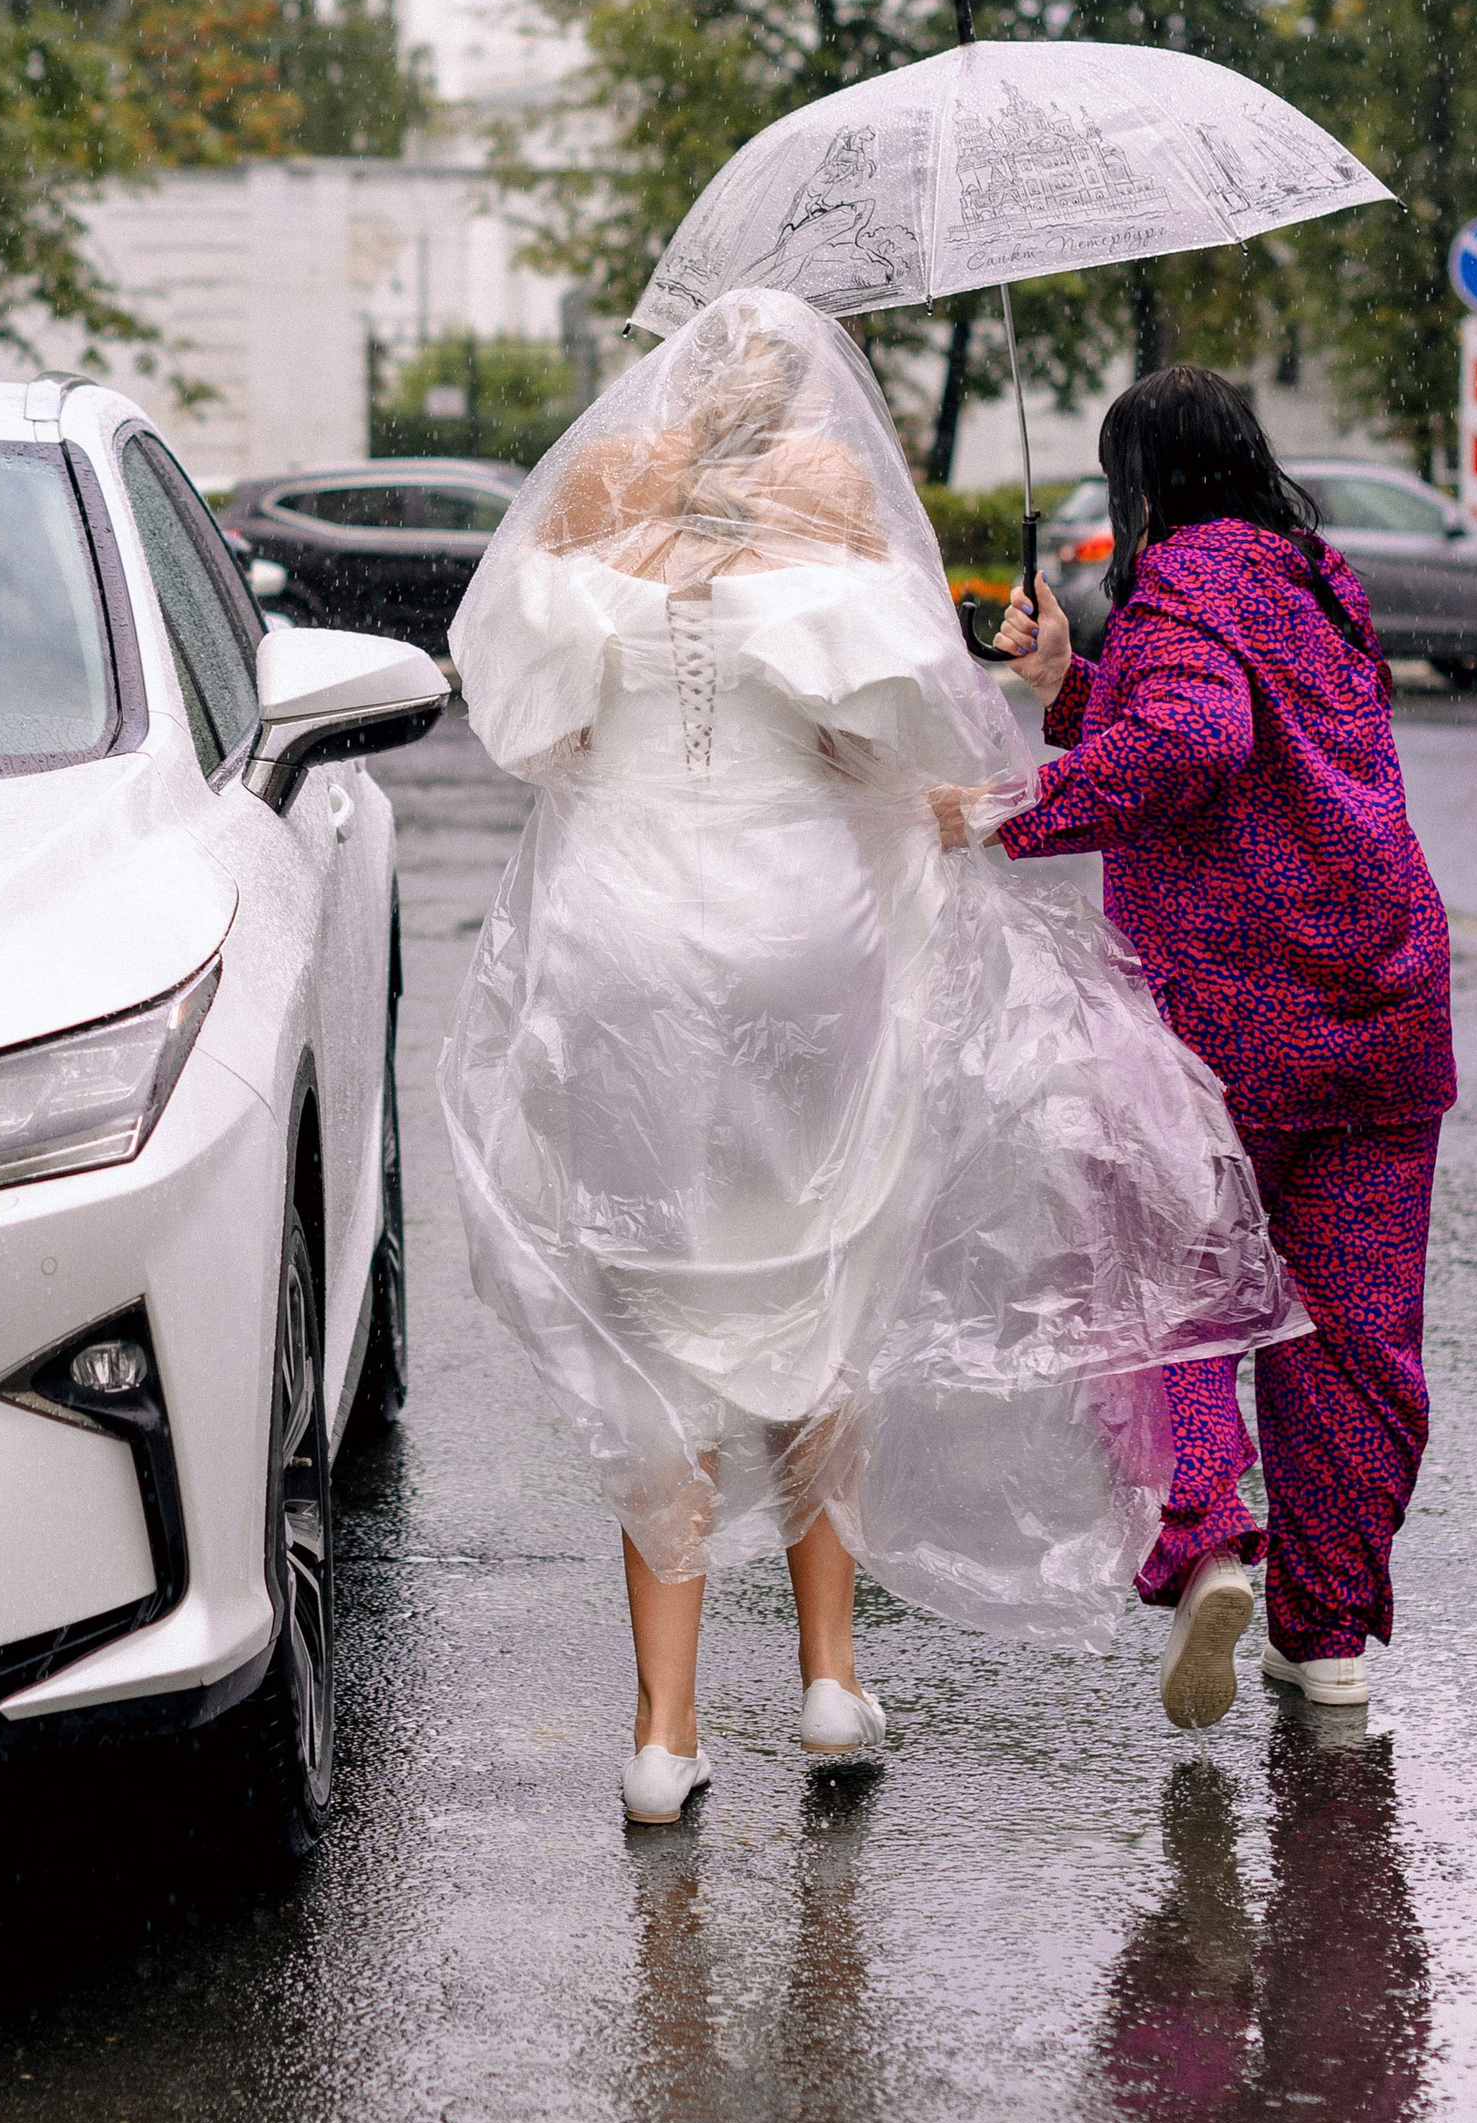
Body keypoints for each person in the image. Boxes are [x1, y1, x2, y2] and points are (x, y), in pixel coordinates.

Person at [440, 291, 1293, 1824]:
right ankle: (832, 1682)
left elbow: (529, 724)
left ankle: (661, 1736)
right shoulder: (830, 500)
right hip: (800, 921)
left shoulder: (596, 490)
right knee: (819, 1269)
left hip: (619, 922)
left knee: (661, 1307)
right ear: (808, 391)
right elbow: (901, 742)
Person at [994, 367, 1454, 1722]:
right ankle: (1328, 1636)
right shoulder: (1324, 583)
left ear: (1145, 482)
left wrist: (1021, 800)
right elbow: (1253, 744)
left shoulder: (1182, 580)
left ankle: (1207, 1539)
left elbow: (1194, 739)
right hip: (1379, 1018)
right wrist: (1073, 681)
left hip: (1224, 1024)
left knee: (1164, 1281)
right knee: (1352, 1342)